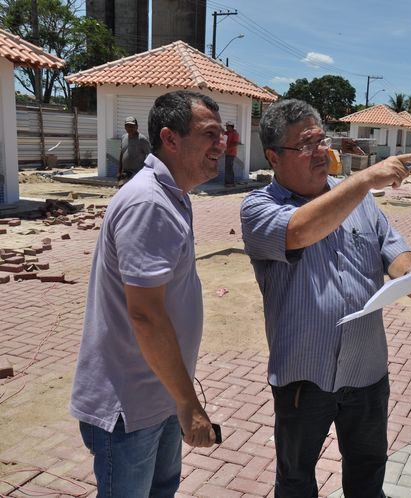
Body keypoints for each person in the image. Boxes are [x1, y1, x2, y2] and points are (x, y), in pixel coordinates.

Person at [240, 99, 411, 496]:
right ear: (274, 157)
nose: (321, 152)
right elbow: (298, 231)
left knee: (368, 473)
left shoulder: (358, 198)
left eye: (321, 140)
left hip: (366, 370)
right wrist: (363, 180)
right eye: (306, 145)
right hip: (303, 377)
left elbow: (390, 244)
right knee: (296, 480)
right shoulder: (259, 207)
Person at [70, 90, 226, 497]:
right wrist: (190, 405)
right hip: (130, 406)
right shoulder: (151, 203)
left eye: (221, 133)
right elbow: (145, 315)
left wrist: (180, 399)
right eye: (210, 134)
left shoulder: (172, 195)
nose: (221, 144)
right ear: (170, 139)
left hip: (159, 397)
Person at [118, 116, 151, 184]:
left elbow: (150, 155)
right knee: (123, 192)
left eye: (132, 126)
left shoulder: (142, 139)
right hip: (124, 174)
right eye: (127, 126)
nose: (130, 128)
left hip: (137, 175)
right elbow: (122, 154)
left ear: (137, 127)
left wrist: (146, 172)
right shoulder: (123, 137)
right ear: (125, 127)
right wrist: (119, 171)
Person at [223, 120, 240, 187]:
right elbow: (224, 132)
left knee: (229, 168)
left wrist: (227, 148)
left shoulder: (235, 134)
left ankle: (230, 183)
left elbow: (235, 143)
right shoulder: (230, 132)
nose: (226, 128)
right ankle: (228, 182)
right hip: (228, 153)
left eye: (227, 127)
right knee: (228, 168)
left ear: (230, 127)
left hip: (231, 153)